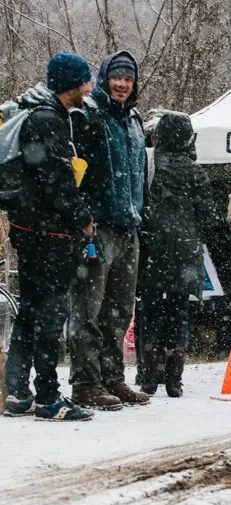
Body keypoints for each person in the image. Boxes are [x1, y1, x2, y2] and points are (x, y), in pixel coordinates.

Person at [2, 53, 95, 421]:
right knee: (50, 316)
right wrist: (83, 220)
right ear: (71, 84)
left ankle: (17, 394)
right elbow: (57, 182)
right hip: (49, 234)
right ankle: (48, 398)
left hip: (28, 229)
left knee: (29, 312)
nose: (89, 89)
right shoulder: (48, 119)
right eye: (85, 82)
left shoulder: (33, 112)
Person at [68, 51, 151, 410]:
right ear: (105, 79)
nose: (122, 84)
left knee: (119, 310)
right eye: (117, 77)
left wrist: (141, 211)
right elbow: (73, 170)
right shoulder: (89, 115)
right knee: (89, 310)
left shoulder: (133, 119)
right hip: (96, 226)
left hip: (128, 227)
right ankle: (86, 383)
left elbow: (140, 174)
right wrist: (82, 215)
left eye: (128, 79)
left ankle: (113, 378)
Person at [136, 112, 215, 397]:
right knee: (179, 315)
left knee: (150, 313)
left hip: (152, 249)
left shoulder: (147, 163)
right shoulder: (196, 171)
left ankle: (148, 377)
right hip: (185, 253)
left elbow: (139, 200)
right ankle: (174, 380)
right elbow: (209, 216)